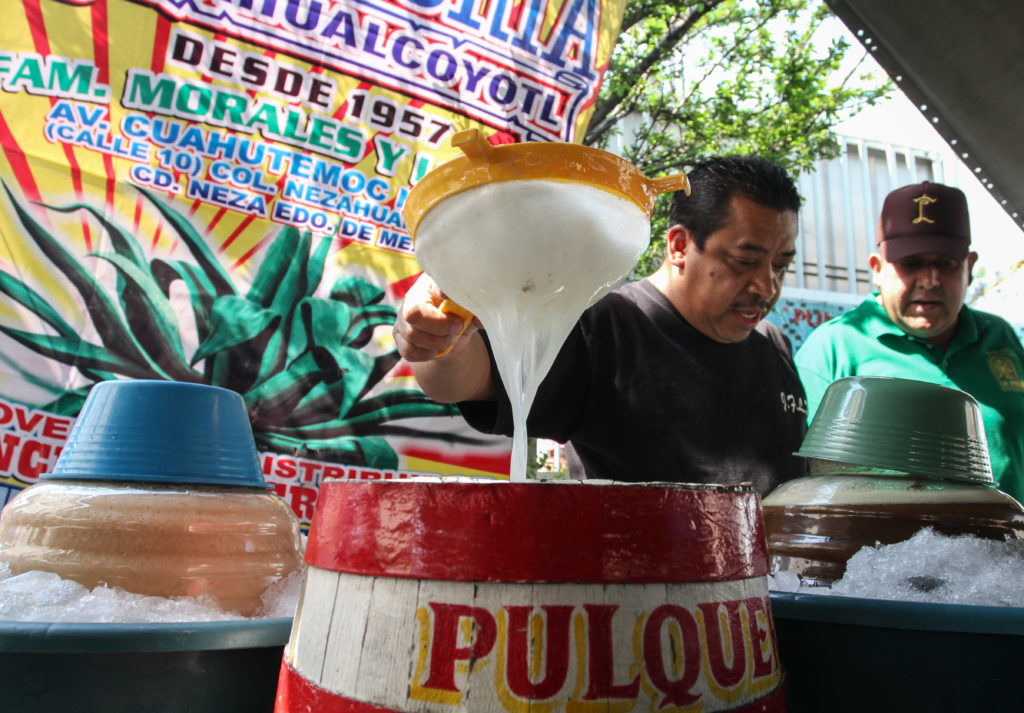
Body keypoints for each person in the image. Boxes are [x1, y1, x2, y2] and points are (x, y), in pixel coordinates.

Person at [394, 155, 808, 495]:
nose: (766, 285)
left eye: (782, 266)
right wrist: (440, 331)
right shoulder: (606, 324)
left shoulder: (773, 345)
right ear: (680, 245)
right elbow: (463, 380)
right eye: (745, 261)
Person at [795, 181, 1024, 500]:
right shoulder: (833, 348)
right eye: (911, 264)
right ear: (877, 269)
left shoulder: (1000, 337)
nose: (929, 280)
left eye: (945, 264)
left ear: (969, 268)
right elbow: (804, 478)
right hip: (882, 549)